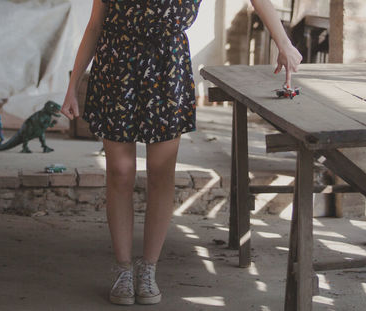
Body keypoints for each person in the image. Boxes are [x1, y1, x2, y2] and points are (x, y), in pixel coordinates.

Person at [61, 0, 302, 306]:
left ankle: (148, 269)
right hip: (115, 65)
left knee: (161, 173)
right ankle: (123, 269)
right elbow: (96, 24)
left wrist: (283, 42)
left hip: (166, 68)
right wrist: (72, 86)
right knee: (120, 171)